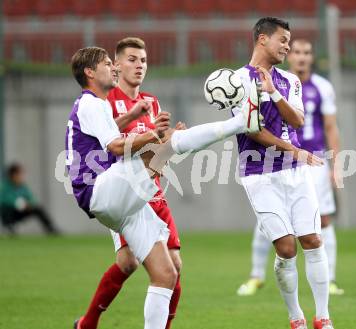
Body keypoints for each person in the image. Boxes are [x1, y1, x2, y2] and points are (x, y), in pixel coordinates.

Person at [67, 46, 262, 329]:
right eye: (108, 63)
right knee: (166, 145)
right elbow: (116, 146)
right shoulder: (91, 103)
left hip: (122, 203)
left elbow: (118, 143)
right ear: (89, 72)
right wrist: (155, 136)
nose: (113, 68)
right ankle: (239, 122)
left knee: (166, 273)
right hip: (98, 189)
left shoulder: (101, 104)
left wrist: (157, 138)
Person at [74, 37, 183, 329]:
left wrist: (169, 140)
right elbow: (109, 144)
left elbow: (156, 151)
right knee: (127, 263)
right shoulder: (102, 101)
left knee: (173, 270)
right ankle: (89, 321)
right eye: (131, 59)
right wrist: (155, 135)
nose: (139, 65)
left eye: (143, 60)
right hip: (121, 189)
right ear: (117, 66)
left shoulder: (150, 101)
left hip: (153, 189)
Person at [231, 18, 333, 329]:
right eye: (283, 39)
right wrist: (293, 150)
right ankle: (296, 319)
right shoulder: (237, 80)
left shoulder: (290, 81)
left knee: (313, 239)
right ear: (262, 39)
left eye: (289, 41)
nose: (287, 46)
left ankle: (323, 318)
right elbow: (252, 129)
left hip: (296, 172)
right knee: (286, 248)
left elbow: (299, 120)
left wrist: (275, 93)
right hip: (259, 173)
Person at [0, 163, 58, 235]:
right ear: (14, 175)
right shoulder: (4, 186)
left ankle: (51, 229)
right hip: (9, 213)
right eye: (20, 174)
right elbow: (3, 199)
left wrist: (29, 204)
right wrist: (17, 203)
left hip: (21, 211)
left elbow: (31, 198)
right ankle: (9, 229)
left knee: (38, 209)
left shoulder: (22, 186)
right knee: (5, 209)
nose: (22, 176)